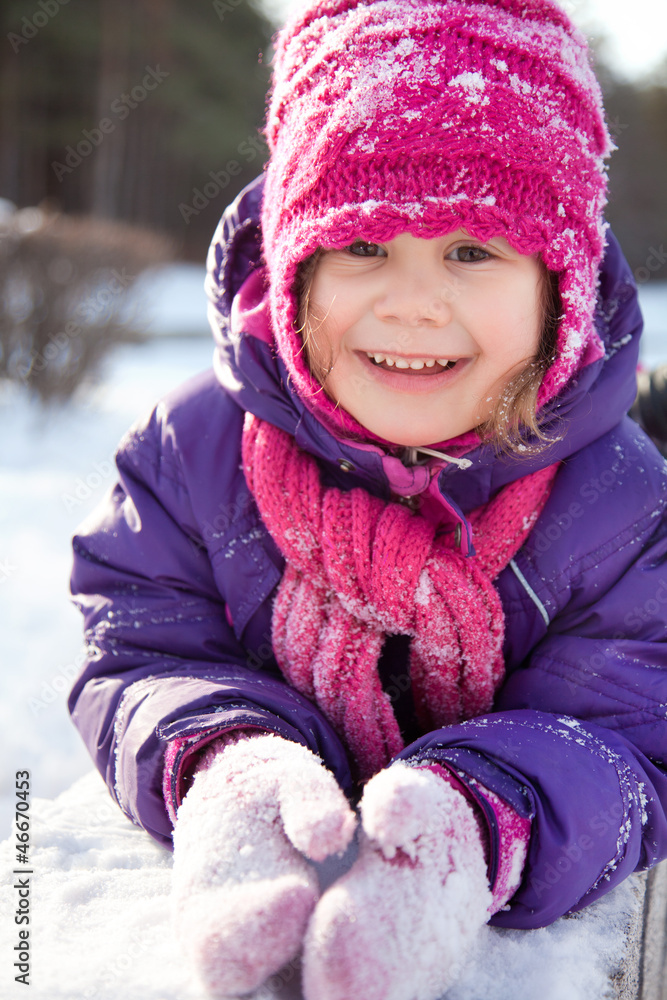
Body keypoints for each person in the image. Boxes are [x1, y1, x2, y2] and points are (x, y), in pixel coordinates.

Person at [68, 1, 667, 998]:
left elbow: (631, 731)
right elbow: (138, 649)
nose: (412, 302)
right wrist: (224, 763)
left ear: (556, 288)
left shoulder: (618, 506)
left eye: (472, 251)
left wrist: (478, 814)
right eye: (362, 247)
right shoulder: (191, 455)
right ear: (291, 267)